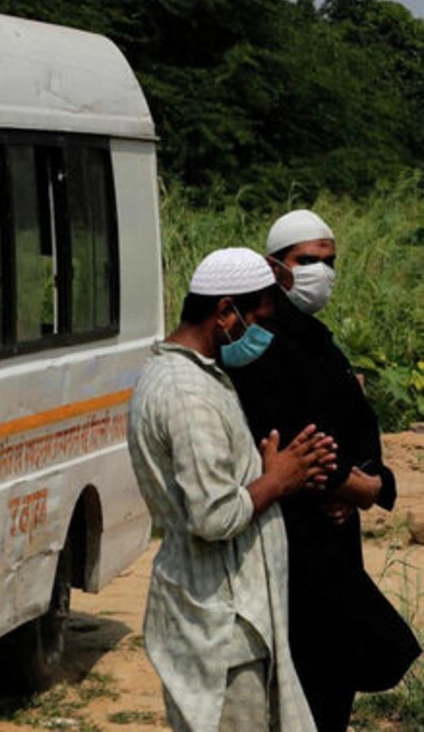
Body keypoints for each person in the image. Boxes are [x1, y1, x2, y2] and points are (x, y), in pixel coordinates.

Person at [223, 209, 420, 731]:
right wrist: (357, 486)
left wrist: (364, 482)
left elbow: (356, 424)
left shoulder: (316, 339)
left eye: (329, 261)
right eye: (307, 260)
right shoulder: (260, 343)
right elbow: (288, 437)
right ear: (275, 266)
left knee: (333, 675)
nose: (321, 272)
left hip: (334, 531)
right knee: (304, 672)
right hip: (294, 536)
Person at [127, 247, 336, 732]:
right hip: (221, 627)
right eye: (256, 319)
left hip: (229, 619)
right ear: (225, 313)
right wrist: (278, 479)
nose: (261, 333)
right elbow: (214, 515)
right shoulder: (187, 394)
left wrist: (262, 471)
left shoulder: (191, 375)